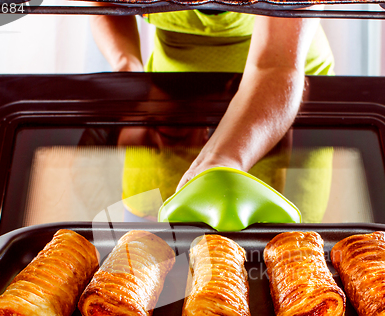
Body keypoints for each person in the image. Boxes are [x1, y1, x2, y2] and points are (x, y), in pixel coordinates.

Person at [90, 9, 335, 197]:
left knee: (280, 246)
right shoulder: (151, 130)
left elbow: (274, 66)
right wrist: (128, 69)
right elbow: (105, 6)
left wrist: (224, 160)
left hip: (279, 91)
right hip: (168, 89)